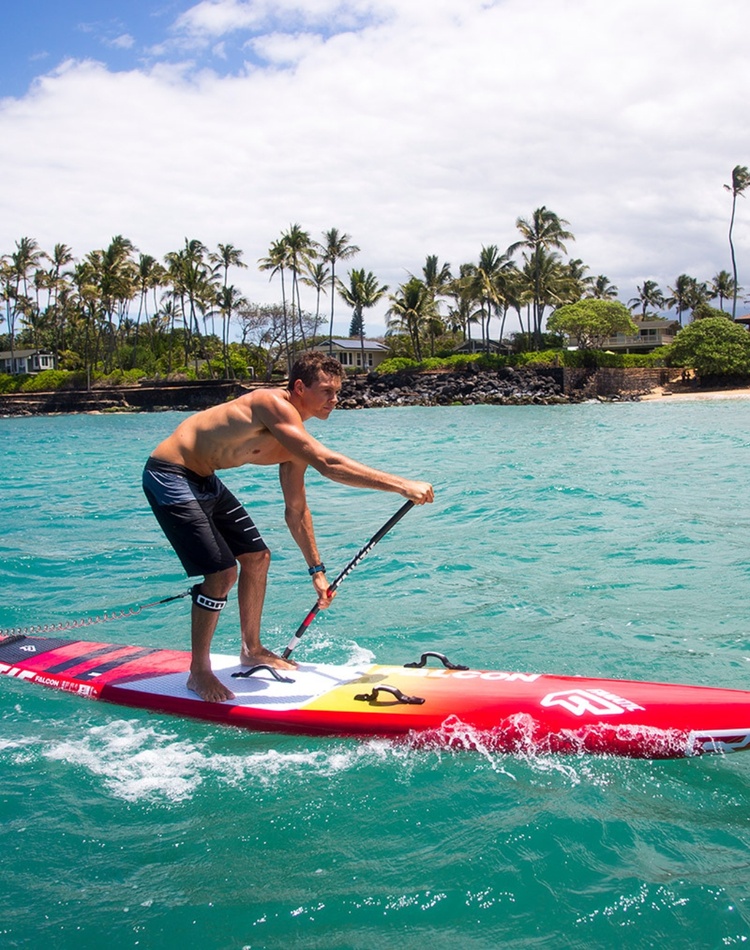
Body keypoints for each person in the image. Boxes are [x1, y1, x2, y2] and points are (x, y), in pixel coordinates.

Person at [142, 351, 434, 703]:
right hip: (169, 474)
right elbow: (328, 463)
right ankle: (199, 672)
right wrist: (401, 485)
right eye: (326, 391)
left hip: (206, 480)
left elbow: (296, 511)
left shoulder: (295, 443)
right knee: (221, 574)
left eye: (337, 392)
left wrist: (317, 571)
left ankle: (251, 649)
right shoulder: (271, 404)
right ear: (299, 387)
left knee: (257, 558)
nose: (335, 400)